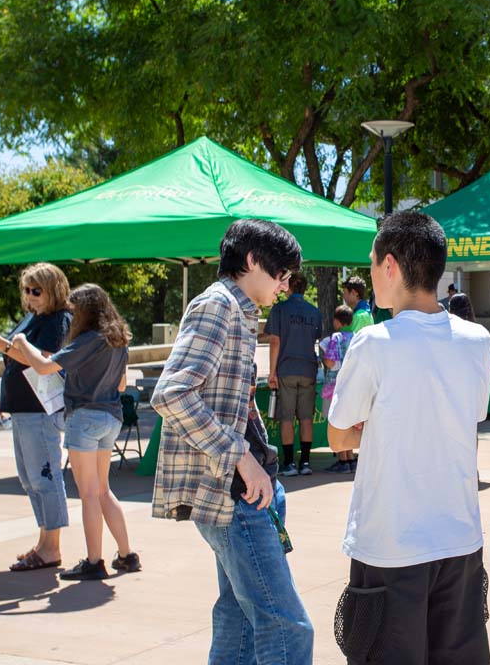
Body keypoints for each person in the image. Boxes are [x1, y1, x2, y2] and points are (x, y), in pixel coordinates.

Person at [327, 212, 490, 665]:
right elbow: (467, 418)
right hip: (460, 539)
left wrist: (377, 427)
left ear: (391, 266)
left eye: (371, 262)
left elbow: (339, 432)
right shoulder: (478, 340)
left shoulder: (373, 342)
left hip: (391, 541)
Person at [151, 219, 313, 664]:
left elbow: (230, 403)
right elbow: (171, 393)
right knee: (289, 629)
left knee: (238, 621)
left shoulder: (239, 310)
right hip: (231, 495)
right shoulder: (219, 306)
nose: (285, 286)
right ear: (252, 261)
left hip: (242, 493)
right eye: (281, 275)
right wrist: (241, 456)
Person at [0, 284, 139, 580]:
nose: (71, 316)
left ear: (85, 311)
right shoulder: (118, 339)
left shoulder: (88, 339)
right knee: (102, 490)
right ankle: (127, 555)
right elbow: (122, 384)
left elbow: (44, 367)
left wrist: (22, 341)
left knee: (88, 494)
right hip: (111, 418)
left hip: (84, 418)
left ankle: (93, 561)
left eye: (75, 311)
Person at [0, 263, 72, 572]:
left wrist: (0, 344)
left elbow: (44, 361)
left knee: (44, 476)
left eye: (36, 290)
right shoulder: (34, 317)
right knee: (30, 479)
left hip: (39, 409)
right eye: (27, 290)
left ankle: (51, 547)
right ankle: (45, 542)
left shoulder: (59, 320)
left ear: (53, 290)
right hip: (22, 407)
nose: (30, 296)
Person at [268, 273, 323, 476]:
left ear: (288, 287)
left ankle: (289, 463)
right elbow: (316, 340)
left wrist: (272, 372)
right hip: (308, 369)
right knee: (306, 417)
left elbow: (275, 341)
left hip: (286, 369)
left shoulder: (279, 309)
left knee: (287, 418)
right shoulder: (314, 312)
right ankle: (306, 462)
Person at [321, 305, 359, 474]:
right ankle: (350, 458)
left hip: (335, 386)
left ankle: (342, 459)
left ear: (337, 321)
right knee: (349, 422)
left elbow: (330, 361)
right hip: (353, 385)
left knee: (337, 421)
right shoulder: (357, 337)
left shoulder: (336, 337)